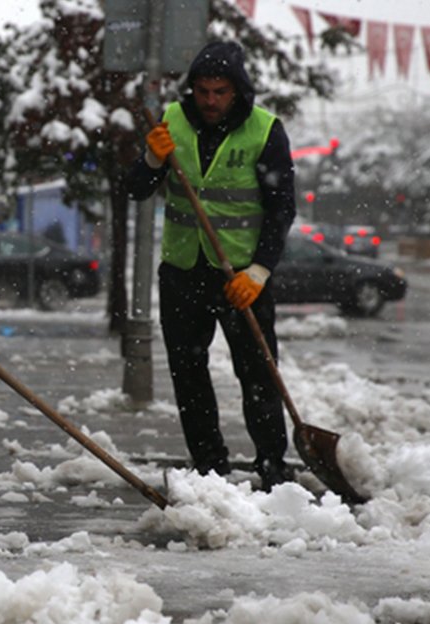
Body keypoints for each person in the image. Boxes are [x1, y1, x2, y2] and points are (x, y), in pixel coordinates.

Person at [126, 41, 297, 492]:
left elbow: (281, 209)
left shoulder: (264, 131)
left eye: (220, 92)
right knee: (188, 372)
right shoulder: (172, 122)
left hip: (240, 275)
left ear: (238, 91)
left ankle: (273, 463)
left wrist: (260, 270)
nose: (209, 101)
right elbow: (136, 190)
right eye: (202, 91)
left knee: (258, 372)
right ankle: (209, 464)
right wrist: (149, 159)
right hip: (183, 270)